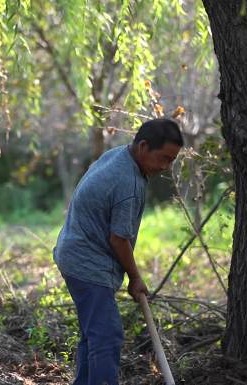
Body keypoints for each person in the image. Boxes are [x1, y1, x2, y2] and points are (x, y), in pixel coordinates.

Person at [53, 118, 183, 385]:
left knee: (94, 335)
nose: (165, 167)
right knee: (106, 335)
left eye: (171, 161)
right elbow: (119, 239)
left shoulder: (119, 155)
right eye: (163, 158)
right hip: (87, 262)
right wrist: (135, 278)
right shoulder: (129, 183)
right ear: (144, 146)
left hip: (73, 251)